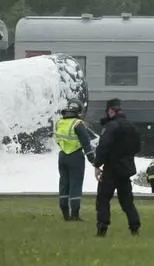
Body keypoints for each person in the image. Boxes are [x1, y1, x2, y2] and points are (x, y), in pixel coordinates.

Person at [92, 98, 142, 236]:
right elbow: (137, 147)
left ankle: (102, 227)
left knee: (103, 199)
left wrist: (97, 165)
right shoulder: (132, 127)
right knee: (127, 201)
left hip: (111, 169)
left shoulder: (111, 127)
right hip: (125, 170)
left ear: (110, 111)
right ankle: (134, 226)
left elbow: (103, 147)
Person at [54, 102, 96, 221]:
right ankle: (75, 215)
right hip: (75, 156)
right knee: (75, 185)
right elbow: (86, 144)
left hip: (62, 156)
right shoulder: (78, 124)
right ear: (78, 111)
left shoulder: (59, 123)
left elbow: (58, 140)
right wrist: (93, 161)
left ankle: (65, 215)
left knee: (64, 184)